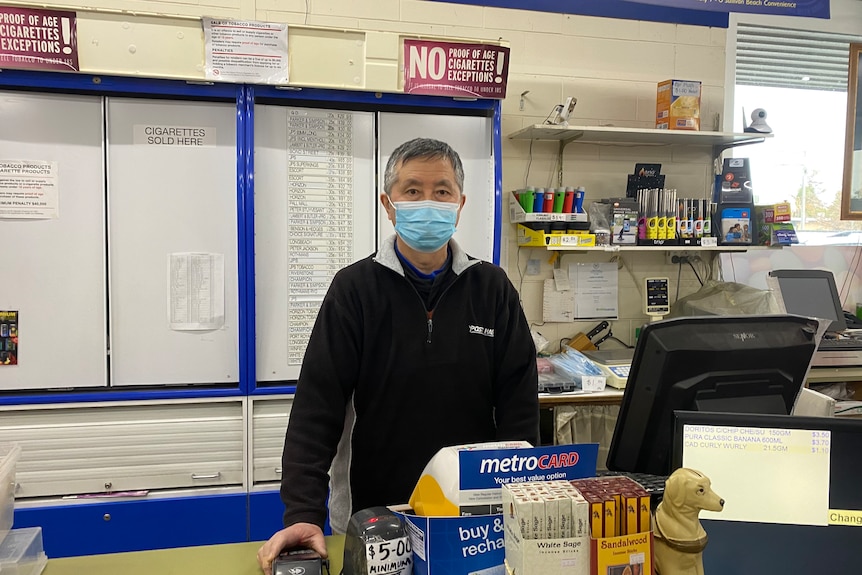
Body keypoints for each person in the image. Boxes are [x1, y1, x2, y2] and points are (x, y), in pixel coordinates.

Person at [257, 138, 539, 574]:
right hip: (374, 517)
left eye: (441, 191)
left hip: (469, 521)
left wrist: (522, 503)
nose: (428, 202)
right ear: (389, 205)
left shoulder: (493, 289)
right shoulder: (354, 290)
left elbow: (520, 409)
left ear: (460, 204)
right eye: (412, 191)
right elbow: (317, 409)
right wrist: (302, 515)